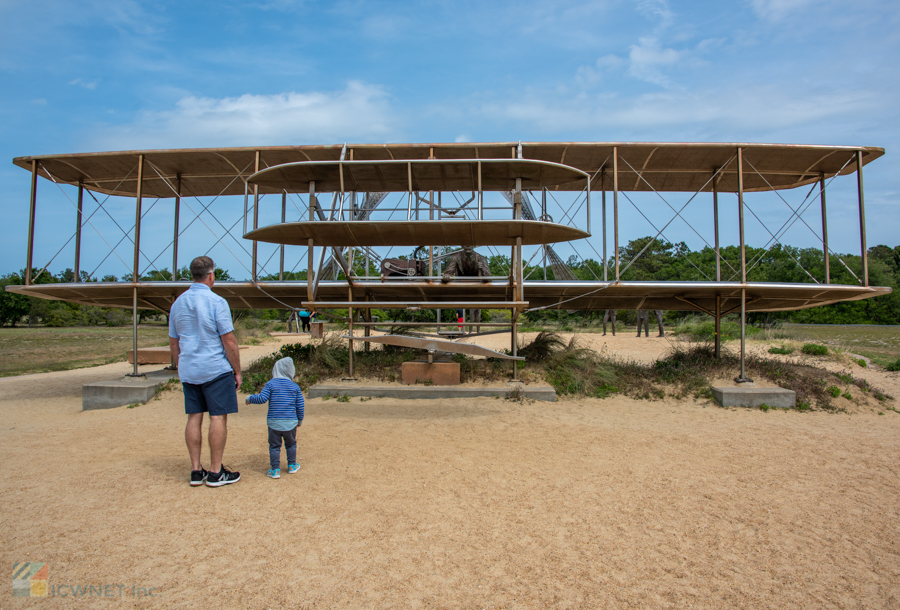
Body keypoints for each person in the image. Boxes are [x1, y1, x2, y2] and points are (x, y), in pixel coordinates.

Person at [169, 256, 242, 488]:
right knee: (217, 417)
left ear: (192, 274)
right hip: (214, 368)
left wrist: (180, 367)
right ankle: (215, 471)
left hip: (189, 368)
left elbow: (174, 342)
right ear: (211, 275)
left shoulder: (177, 303)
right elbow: (229, 341)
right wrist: (237, 371)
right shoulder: (217, 301)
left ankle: (195, 470)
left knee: (194, 417)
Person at [245, 357, 305, 479]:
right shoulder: (295, 387)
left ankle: (275, 469)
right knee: (291, 444)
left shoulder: (270, 384)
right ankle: (292, 466)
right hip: (290, 422)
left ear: (275, 369)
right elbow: (300, 405)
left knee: (274, 446)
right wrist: (299, 420)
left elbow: (262, 398)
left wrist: (250, 398)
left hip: (274, 423)